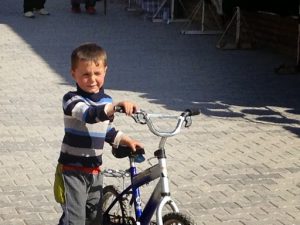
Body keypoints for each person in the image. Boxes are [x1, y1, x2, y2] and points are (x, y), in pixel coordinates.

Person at [54, 43, 143, 225]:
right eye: (85, 74)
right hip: (72, 170)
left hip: (95, 170)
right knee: (76, 219)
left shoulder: (106, 100)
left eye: (97, 73)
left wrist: (125, 139)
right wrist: (114, 106)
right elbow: (89, 115)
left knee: (95, 219)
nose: (92, 79)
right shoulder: (71, 99)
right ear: (73, 74)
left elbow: (106, 130)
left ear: (105, 71)